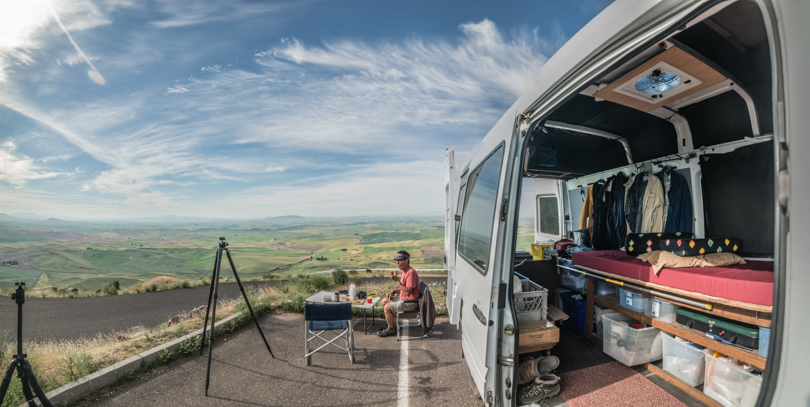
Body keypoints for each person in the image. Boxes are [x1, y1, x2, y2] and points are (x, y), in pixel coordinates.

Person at [377, 250, 420, 337]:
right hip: (403, 299)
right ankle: (391, 324)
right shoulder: (404, 271)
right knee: (384, 301)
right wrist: (394, 291)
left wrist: (397, 280)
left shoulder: (411, 273)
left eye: (400, 260)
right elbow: (403, 288)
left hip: (410, 303)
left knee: (387, 307)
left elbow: (408, 291)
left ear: (406, 261)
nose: (397, 263)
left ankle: (390, 330)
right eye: (397, 261)